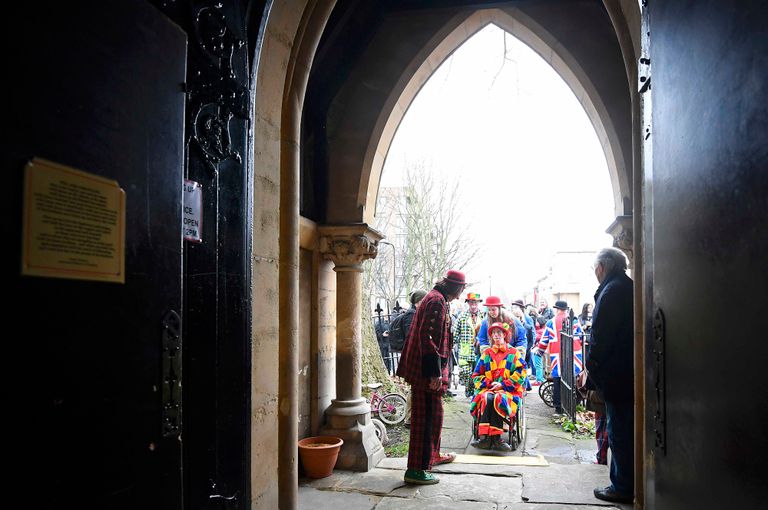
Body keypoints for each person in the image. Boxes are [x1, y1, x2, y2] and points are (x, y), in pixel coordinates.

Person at [397, 269, 466, 485]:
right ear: (456, 288)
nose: (461, 295)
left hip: (427, 370)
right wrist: (434, 373)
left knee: (434, 415)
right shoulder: (436, 301)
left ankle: (431, 456)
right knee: (424, 419)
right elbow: (427, 339)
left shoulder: (437, 298)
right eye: (461, 290)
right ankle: (416, 470)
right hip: (425, 373)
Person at [585, 247, 634, 504]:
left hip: (617, 374)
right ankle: (625, 481)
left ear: (603, 267)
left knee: (620, 430)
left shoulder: (612, 291)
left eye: (595, 270)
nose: (595, 274)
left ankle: (622, 486)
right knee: (623, 427)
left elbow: (600, 336)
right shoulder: (625, 286)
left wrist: (591, 367)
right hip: (625, 371)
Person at [469, 322, 526, 452]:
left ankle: (495, 438)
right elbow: (476, 375)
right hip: (488, 389)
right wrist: (489, 384)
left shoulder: (514, 352)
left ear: (505, 335)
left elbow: (521, 372)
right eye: (494, 333)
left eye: (499, 333)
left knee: (498, 398)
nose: (496, 335)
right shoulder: (487, 353)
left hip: (508, 390)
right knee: (486, 397)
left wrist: (503, 384)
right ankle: (486, 438)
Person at [531, 300, 583, 415]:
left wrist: (540, 351)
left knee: (558, 380)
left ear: (557, 309)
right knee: (572, 379)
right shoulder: (574, 321)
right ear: (566, 309)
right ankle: (574, 403)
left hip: (556, 354)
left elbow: (544, 339)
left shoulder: (551, 322)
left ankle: (559, 406)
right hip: (574, 354)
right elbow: (580, 335)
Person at [393, 288, 428, 427]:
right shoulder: (411, 315)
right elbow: (411, 337)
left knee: (416, 388)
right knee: (414, 388)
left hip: (415, 356)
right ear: (419, 302)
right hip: (412, 357)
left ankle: (414, 417)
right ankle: (409, 418)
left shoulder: (416, 313)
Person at [451, 292, 484, 397]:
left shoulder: (483, 316)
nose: (473, 305)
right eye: (471, 303)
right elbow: (455, 333)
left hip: (480, 350)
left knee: (479, 372)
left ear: (478, 303)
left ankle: (476, 392)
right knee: (465, 372)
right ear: (468, 303)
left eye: (475, 303)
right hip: (465, 350)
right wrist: (450, 345)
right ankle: (468, 388)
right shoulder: (462, 317)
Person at [511, 299, 536, 387]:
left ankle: (525, 385)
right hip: (514, 349)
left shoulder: (527, 319)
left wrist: (530, 347)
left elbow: (531, 333)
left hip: (525, 349)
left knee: (523, 367)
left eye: (516, 306)